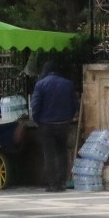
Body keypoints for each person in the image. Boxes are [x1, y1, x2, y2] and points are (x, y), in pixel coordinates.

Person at [29, 60, 79, 192]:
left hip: (46, 125)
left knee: (49, 154)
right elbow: (75, 104)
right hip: (63, 124)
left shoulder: (40, 85)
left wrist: (36, 119)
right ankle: (62, 182)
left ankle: (52, 184)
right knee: (62, 153)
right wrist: (68, 117)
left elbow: (35, 105)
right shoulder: (68, 84)